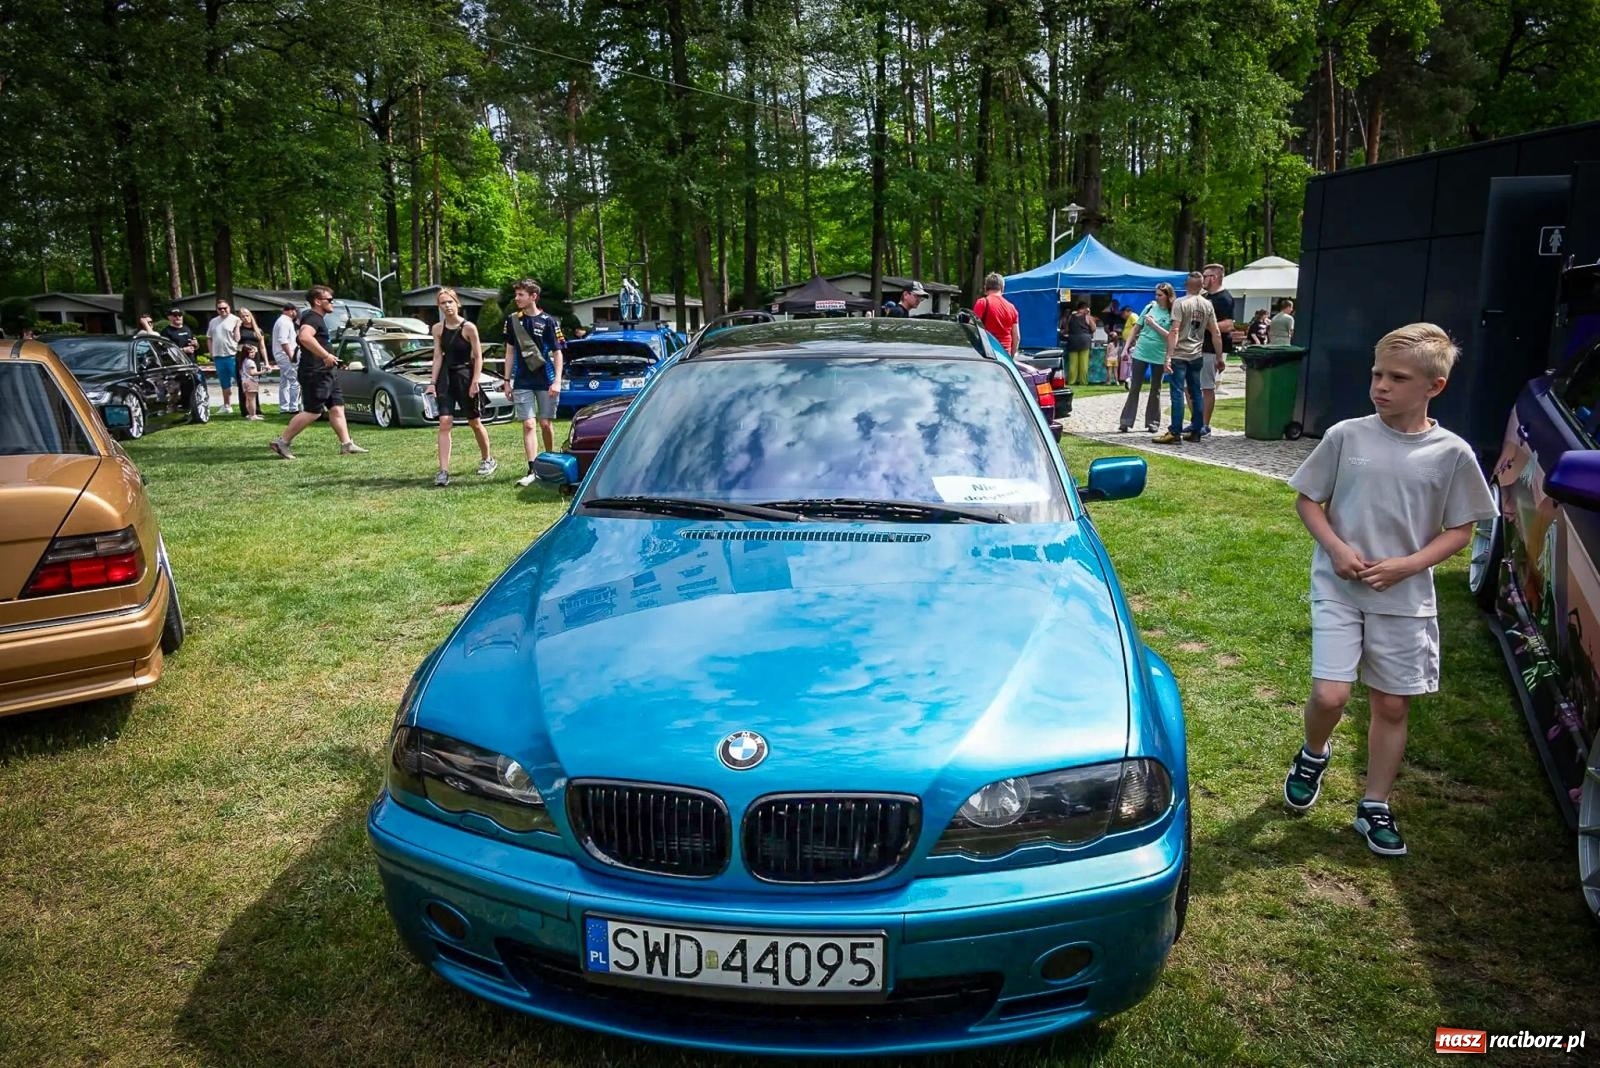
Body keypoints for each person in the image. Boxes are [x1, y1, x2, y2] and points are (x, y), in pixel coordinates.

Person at [1280, 323, 1495, 857]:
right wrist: (1334, 548)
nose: (1381, 386)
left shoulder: (1452, 454)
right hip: (1339, 585)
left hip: (1404, 598)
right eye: (1377, 373)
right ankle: (1313, 751)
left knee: (1392, 705)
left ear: (1434, 387)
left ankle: (1374, 804)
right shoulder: (1346, 436)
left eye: (1398, 378)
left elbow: (1461, 530)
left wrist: (1408, 565)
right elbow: (1309, 499)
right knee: (1331, 693)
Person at [268, 285, 368, 459]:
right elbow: (304, 337)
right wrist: (326, 355)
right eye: (329, 300)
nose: (332, 303)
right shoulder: (313, 317)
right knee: (313, 411)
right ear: (317, 301)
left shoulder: (314, 317)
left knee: (337, 407)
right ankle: (282, 442)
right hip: (315, 373)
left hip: (326, 372)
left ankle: (347, 444)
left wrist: (333, 360)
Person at [423, 288, 496, 486]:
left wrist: (474, 382)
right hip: (446, 377)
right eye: (442, 303)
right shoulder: (437, 329)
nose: (446, 306)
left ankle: (487, 458)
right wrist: (432, 382)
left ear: (457, 303)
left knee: (474, 421)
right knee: (445, 421)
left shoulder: (469, 327)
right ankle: (443, 471)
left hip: (465, 374)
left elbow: (479, 356)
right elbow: (437, 356)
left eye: (449, 302)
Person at [502, 278, 566, 487]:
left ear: (533, 297)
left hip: (546, 379)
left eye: (521, 295)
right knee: (528, 424)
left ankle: (550, 461)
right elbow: (510, 351)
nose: (516, 298)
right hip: (522, 380)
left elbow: (557, 353)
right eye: (516, 294)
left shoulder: (549, 321)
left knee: (545, 423)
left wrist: (557, 381)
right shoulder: (513, 321)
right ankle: (532, 468)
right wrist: (507, 380)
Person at [1154, 272, 1222, 445]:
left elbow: (1175, 330)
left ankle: (1175, 432)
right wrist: (1219, 356)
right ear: (1201, 286)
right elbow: (1215, 332)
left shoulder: (1180, 303)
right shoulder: (1207, 305)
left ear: (1185, 285)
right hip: (1196, 354)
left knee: (1177, 393)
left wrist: (1168, 356)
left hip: (1180, 354)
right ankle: (1196, 430)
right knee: (1196, 392)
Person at [1118, 283, 1175, 432]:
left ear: (1168, 296)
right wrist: (1126, 348)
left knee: (1155, 388)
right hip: (1141, 351)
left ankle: (1153, 422)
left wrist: (1154, 324)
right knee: (1134, 387)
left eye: (1160, 295)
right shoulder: (1149, 307)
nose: (1156, 297)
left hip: (1159, 354)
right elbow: (1136, 328)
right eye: (1156, 294)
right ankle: (1126, 421)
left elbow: (1171, 336)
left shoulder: (1173, 312)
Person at [1199, 263, 1235, 436]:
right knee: (1190, 387)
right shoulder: (1205, 297)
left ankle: (1205, 425)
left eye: (1205, 276)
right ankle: (1196, 422)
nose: (1202, 279)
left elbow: (1228, 325)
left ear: (1213, 278)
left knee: (1206, 387)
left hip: (1211, 350)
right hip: (1198, 347)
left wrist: (1204, 325)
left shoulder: (1224, 298)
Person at [206, 299, 241, 415]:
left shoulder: (235, 319)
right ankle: (227, 405)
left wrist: (237, 327)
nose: (223, 310)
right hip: (218, 356)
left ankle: (246, 405)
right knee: (224, 382)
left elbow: (237, 339)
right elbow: (209, 337)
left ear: (229, 308)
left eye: (225, 308)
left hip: (232, 355)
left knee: (240, 380)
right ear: (217, 309)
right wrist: (211, 352)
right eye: (220, 308)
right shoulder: (213, 321)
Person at [972, 272, 1020, 355]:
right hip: (1005, 357)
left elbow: (972, 329)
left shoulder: (982, 303)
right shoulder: (1012, 308)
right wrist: (1011, 358)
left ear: (985, 288)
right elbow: (1017, 337)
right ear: (1002, 288)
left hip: (988, 354)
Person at [271, 302, 300, 413]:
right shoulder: (284, 322)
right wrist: (291, 356)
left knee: (284, 382)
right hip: (285, 355)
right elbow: (283, 341)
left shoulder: (284, 321)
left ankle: (284, 407)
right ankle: (294, 407)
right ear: (292, 311)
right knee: (295, 381)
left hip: (282, 354)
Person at [1062, 301, 1095, 385]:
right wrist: (1089, 315)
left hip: (1073, 340)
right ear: (1085, 308)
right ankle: (1083, 382)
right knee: (1083, 363)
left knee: (1073, 364)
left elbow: (1066, 329)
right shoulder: (1087, 316)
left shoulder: (1071, 317)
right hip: (1085, 340)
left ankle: (1072, 381)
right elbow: (1093, 328)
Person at [238, 344, 264, 420]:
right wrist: (263, 371)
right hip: (251, 381)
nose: (253, 353)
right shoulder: (250, 362)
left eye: (253, 352)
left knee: (248, 399)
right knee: (252, 399)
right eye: (251, 352)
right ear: (247, 353)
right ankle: (253, 415)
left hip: (244, 381)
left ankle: (250, 414)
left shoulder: (243, 361)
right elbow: (252, 373)